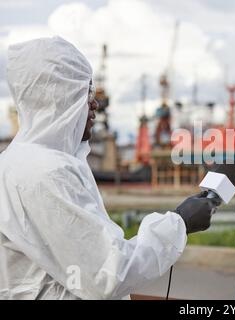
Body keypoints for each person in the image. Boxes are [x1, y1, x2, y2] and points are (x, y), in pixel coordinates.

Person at [0, 36, 215, 300]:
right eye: (84, 92)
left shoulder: (14, 161)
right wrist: (180, 222)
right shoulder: (49, 172)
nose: (95, 104)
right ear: (57, 97)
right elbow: (109, 273)